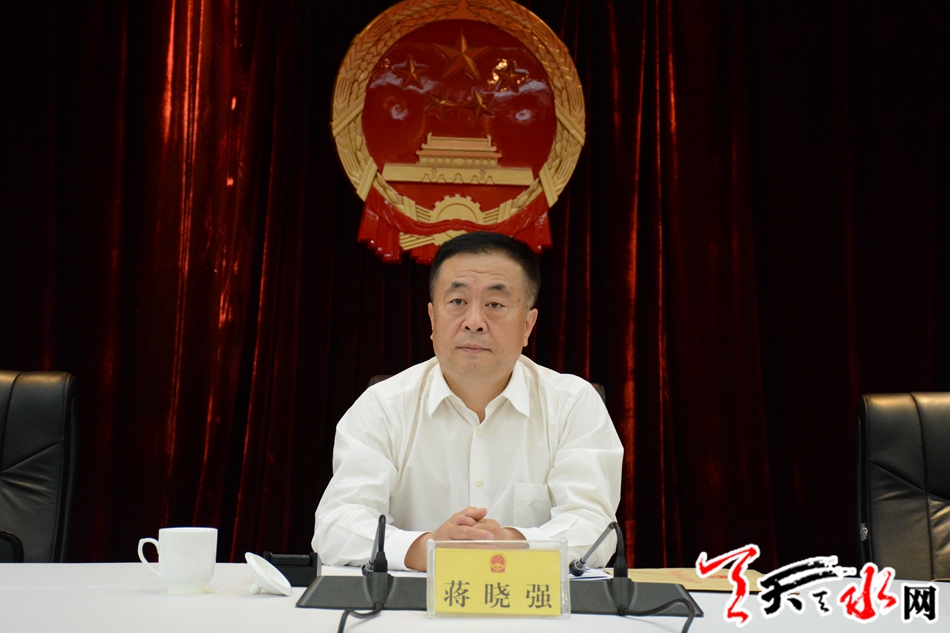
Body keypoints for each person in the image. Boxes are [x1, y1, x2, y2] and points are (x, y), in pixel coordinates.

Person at [312, 231, 623, 571]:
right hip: (413, 602)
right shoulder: (383, 407)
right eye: (458, 302)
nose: (474, 322)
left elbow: (594, 526)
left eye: (495, 305)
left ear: (527, 325)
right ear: (433, 319)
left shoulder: (573, 405)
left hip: (532, 600)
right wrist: (425, 548)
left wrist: (514, 544)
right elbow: (336, 525)